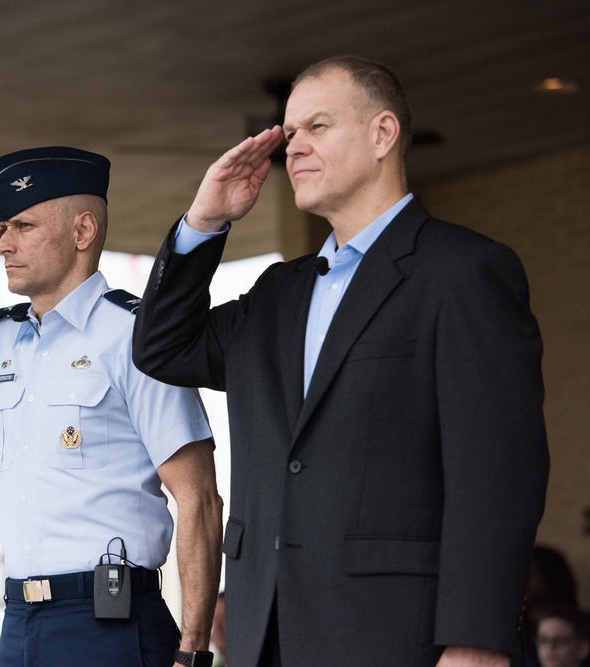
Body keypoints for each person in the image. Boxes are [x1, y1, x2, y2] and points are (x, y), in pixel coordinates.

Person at [132, 55, 549, 667]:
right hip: (264, 635)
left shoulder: (463, 272)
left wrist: (477, 640)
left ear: (384, 134)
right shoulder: (278, 292)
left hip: (396, 638)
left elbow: (497, 474)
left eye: (317, 127)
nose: (294, 147)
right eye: (290, 133)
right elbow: (162, 347)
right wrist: (205, 221)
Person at [0, 146, 223, 667]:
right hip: (19, 623)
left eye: (23, 225)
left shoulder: (134, 339)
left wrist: (193, 651)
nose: (3, 244)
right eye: (1, 227)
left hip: (111, 622)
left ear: (82, 232)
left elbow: (200, 500)